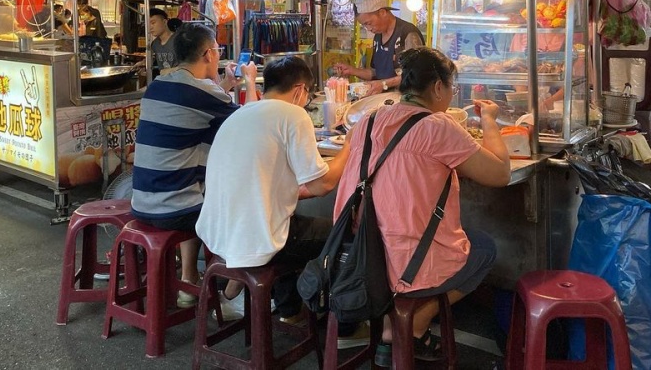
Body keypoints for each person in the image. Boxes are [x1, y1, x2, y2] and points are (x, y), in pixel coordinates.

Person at [333, 47, 510, 364]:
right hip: (406, 264)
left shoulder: (368, 121)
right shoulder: (438, 127)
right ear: (439, 87)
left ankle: (393, 320)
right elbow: (500, 173)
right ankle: (412, 323)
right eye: (452, 87)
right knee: (484, 247)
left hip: (360, 255)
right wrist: (489, 121)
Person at [197, 55, 360, 338]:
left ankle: (290, 312)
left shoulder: (241, 113)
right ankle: (345, 328)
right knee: (347, 234)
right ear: (299, 90)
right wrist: (351, 143)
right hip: (256, 237)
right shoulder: (292, 115)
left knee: (287, 223)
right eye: (308, 94)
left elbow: (273, 187)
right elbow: (324, 185)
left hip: (217, 234)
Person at [131, 23, 258, 315]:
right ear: (207, 54)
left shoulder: (159, 84)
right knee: (244, 204)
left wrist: (224, 85)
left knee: (197, 188)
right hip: (174, 207)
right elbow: (253, 121)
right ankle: (228, 291)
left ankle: (189, 279)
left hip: (143, 200)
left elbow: (194, 107)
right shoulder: (204, 93)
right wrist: (249, 82)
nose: (219, 56)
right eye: (217, 51)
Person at [333, 0, 425, 96]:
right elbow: (376, 73)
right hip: (383, 100)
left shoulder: (407, 33)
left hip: (406, 101)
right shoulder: (378, 36)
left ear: (382, 13)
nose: (368, 29)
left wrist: (384, 84)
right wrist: (351, 71)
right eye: (364, 25)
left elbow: (415, 74)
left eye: (369, 23)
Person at [147, 8, 176, 77]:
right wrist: (143, 63)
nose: (150, 27)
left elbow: (190, 66)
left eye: (153, 23)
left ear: (165, 22)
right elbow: (154, 59)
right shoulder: (155, 44)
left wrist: (171, 70)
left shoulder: (178, 40)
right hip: (164, 82)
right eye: (147, 24)